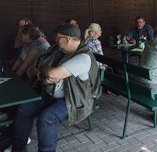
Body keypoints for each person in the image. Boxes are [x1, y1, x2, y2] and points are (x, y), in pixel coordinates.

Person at [11, 23, 99, 152]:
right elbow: (36, 68)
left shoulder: (83, 57)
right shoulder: (60, 50)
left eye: (58, 37)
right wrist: (43, 73)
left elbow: (52, 73)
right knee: (25, 107)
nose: (55, 40)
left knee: (48, 118)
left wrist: (44, 71)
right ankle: (18, 148)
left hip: (73, 100)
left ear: (68, 39)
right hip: (51, 92)